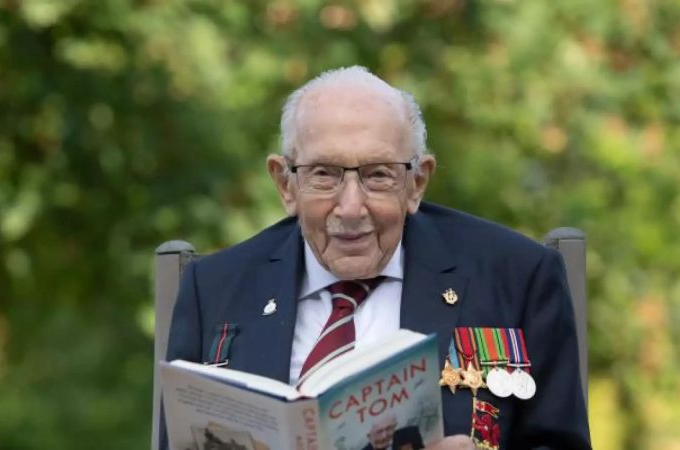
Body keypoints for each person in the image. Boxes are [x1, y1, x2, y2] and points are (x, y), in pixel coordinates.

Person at [164, 66, 591, 449]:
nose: (350, 209)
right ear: (285, 184)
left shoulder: (517, 276)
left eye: (377, 175)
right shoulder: (214, 288)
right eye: (324, 174)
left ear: (417, 183)